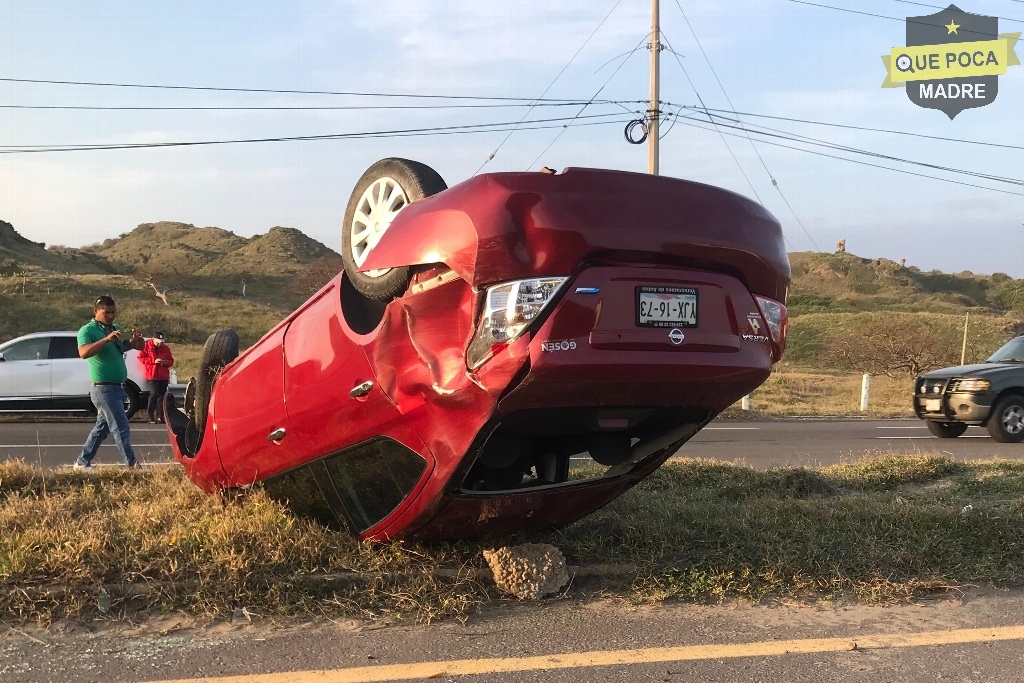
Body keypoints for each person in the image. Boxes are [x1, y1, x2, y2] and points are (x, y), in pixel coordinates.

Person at [73, 295, 145, 470]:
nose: (111, 316)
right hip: (103, 387)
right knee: (121, 427)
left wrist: (136, 342)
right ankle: (132, 467)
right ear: (96, 311)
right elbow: (83, 352)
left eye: (113, 312)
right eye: (107, 312)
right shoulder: (87, 330)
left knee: (102, 428)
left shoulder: (116, 329)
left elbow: (135, 347)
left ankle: (82, 463)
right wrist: (105, 340)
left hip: (119, 387)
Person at [139, 331, 175, 423]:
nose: (160, 343)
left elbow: (171, 361)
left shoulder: (165, 348)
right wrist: (153, 361)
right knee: (154, 394)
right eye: (158, 341)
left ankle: (160, 416)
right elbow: (141, 358)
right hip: (152, 375)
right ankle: (150, 416)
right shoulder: (146, 346)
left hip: (163, 375)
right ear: (153, 339)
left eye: (162, 341)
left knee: (162, 396)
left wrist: (165, 362)